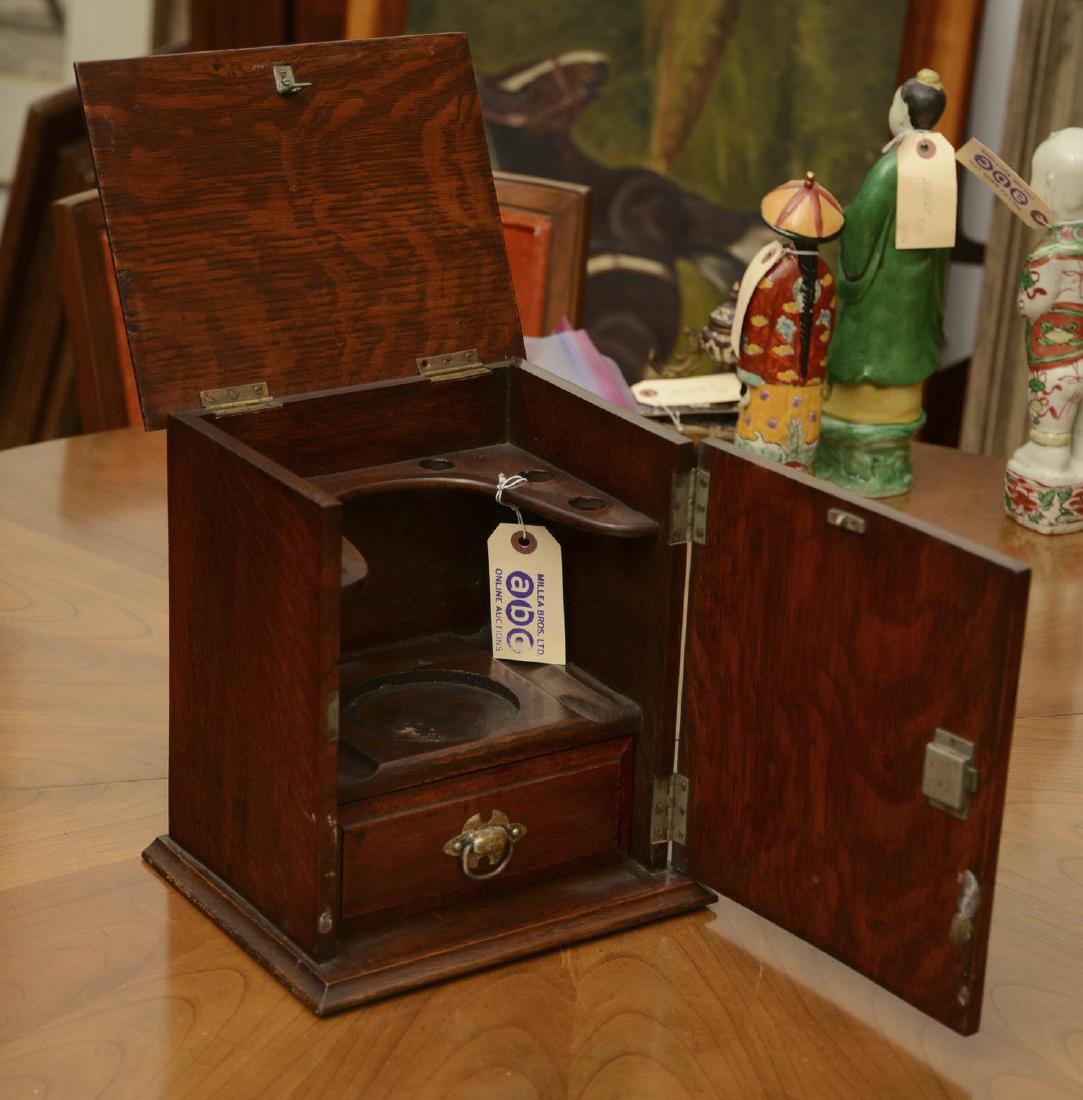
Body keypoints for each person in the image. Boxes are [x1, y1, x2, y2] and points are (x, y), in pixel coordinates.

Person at [817, 69, 951, 496]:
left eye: (896, 102)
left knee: (868, 367)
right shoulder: (939, 165)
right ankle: (889, 461)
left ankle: (854, 463)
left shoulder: (891, 167)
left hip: (880, 302)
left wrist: (845, 219)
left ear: (904, 111)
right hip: (915, 301)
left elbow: (861, 228)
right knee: (904, 361)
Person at [732, 172, 843, 469]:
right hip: (811, 379)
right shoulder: (827, 277)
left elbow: (757, 327)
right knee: (801, 447)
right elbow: (827, 332)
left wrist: (748, 372)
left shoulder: (774, 274)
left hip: (770, 375)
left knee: (762, 448)